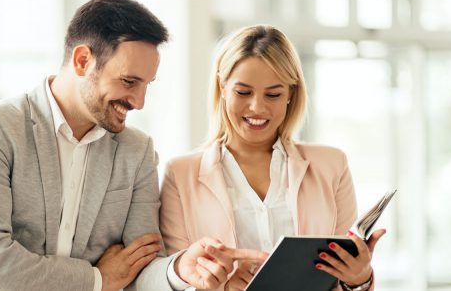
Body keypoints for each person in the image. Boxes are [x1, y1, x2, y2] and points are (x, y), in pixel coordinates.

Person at [0, 0, 265, 291]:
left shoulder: (136, 151)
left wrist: (180, 270)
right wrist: (98, 278)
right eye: (129, 82)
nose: (139, 101)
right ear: (83, 61)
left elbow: (140, 268)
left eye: (146, 85)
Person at [159, 25, 386, 291]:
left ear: (291, 93)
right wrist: (220, 287)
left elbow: (341, 277)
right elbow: (172, 281)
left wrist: (359, 280)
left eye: (273, 94)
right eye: (243, 92)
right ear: (222, 86)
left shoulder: (331, 166)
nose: (257, 107)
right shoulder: (180, 174)